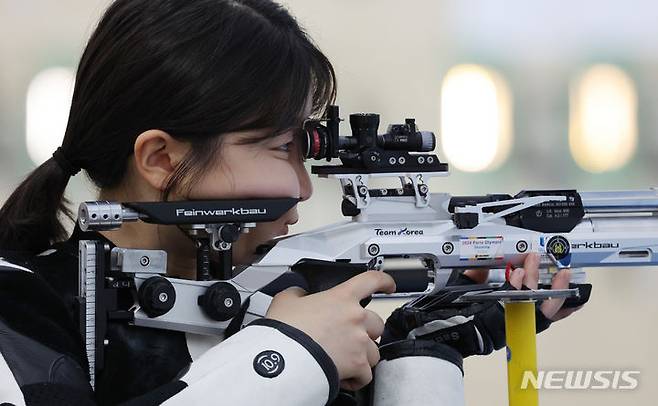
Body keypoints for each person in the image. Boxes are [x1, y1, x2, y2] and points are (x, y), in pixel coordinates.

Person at [0, 1, 579, 405]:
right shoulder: (20, 307)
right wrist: (289, 356)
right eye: (282, 148)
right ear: (159, 159)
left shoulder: (281, 308)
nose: (303, 188)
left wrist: (420, 351)